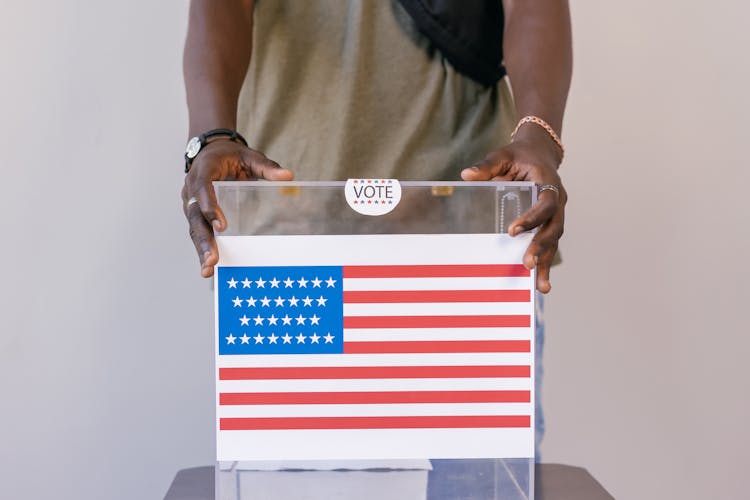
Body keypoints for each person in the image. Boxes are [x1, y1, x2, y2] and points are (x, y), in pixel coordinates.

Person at [181, 0, 571, 454]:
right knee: (292, 479)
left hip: (471, 244)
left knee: (479, 480)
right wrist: (210, 137)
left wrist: (538, 137)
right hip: (287, 247)